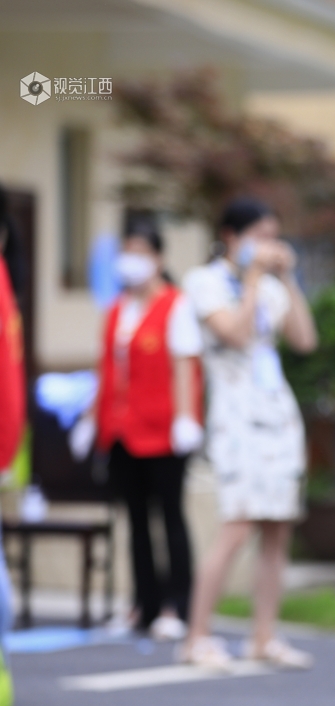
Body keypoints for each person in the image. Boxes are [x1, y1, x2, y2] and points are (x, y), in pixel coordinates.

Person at [179, 196, 317, 670]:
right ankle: (196, 635)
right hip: (235, 419)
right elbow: (235, 333)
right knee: (236, 527)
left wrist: (288, 279)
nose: (268, 246)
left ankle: (264, 635)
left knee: (278, 530)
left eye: (273, 238)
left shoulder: (274, 287)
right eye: (260, 237)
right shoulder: (205, 282)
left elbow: (304, 339)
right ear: (232, 238)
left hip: (277, 414)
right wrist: (254, 278)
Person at [73, 216, 203, 640]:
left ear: (158, 258)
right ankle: (143, 605)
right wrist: (91, 421)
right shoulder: (115, 311)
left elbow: (183, 365)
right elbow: (106, 370)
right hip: (122, 432)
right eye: (127, 252)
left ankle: (176, 604)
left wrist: (186, 416)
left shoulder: (174, 304)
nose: (132, 262)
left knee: (170, 517)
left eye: (141, 253)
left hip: (164, 431)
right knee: (135, 521)